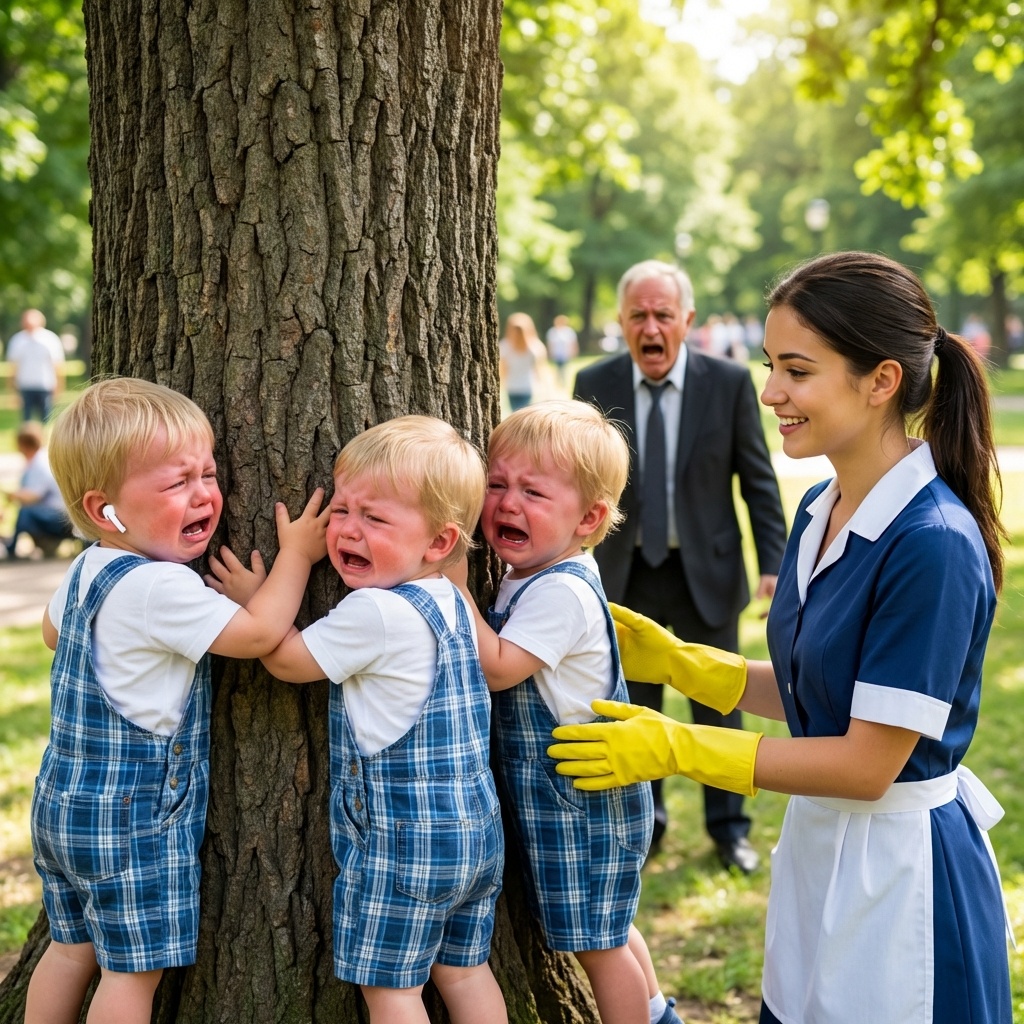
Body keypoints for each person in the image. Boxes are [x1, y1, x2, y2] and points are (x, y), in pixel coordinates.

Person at [552, 251, 1014, 1024]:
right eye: (771, 366)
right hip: (818, 849)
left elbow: (868, 763)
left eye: (796, 372)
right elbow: (817, 685)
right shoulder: (820, 510)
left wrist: (679, 747)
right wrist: (686, 663)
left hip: (903, 880)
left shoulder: (932, 542)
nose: (770, 393)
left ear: (881, 381)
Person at [25, 377, 328, 1024]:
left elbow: (54, 634)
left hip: (62, 805)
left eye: (208, 473)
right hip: (132, 822)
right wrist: (295, 557)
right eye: (176, 484)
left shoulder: (88, 569)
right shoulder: (160, 585)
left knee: (69, 949)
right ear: (105, 510)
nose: (204, 495)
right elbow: (260, 635)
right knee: (131, 976)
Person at [210, 416, 507, 1024]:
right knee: (466, 972)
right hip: (476, 834)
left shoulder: (374, 611)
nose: (346, 529)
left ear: (440, 542)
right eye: (342, 509)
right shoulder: (451, 597)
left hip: (404, 847)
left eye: (375, 518)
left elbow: (288, 660)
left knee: (392, 991)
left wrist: (268, 586)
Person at [454, 400, 682, 1024]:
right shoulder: (532, 572)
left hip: (581, 800)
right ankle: (660, 1014)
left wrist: (449, 582)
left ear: (589, 518)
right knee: (607, 927)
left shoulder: (561, 590)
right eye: (496, 484)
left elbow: (499, 666)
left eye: (533, 491)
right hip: (565, 795)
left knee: (597, 943)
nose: (506, 503)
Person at [573, 259, 787, 872]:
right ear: (622, 321)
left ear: (686, 320)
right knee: (634, 707)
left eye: (662, 314)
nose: (651, 326)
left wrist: (772, 557)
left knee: (719, 703)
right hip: (624, 574)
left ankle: (729, 830)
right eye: (638, 314)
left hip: (709, 575)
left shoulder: (728, 382)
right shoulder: (595, 380)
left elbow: (758, 478)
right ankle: (649, 826)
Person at [1, 421, 74, 559]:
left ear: (23, 444)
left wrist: (11, 495)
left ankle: (11, 549)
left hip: (59, 516)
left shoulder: (40, 464)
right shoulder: (37, 461)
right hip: (54, 513)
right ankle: (43, 544)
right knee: (27, 512)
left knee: (26, 513)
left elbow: (34, 496)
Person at [4, 309, 66, 422]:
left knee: (45, 419)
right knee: (26, 420)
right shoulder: (17, 340)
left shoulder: (50, 339)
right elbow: (13, 367)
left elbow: (57, 366)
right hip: (25, 385)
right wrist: (12, 390)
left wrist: (59, 387)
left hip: (45, 385)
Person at [499, 312, 547, 411]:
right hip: (527, 386)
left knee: (514, 413)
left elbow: (503, 369)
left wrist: (503, 383)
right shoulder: (535, 346)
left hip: (511, 386)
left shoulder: (504, 346)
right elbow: (539, 369)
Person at [545, 314, 579, 388]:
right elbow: (550, 344)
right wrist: (549, 353)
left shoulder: (569, 332)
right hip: (556, 354)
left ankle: (563, 382)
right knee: (557, 369)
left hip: (565, 354)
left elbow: (573, 343)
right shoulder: (552, 332)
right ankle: (557, 382)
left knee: (564, 369)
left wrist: (574, 351)